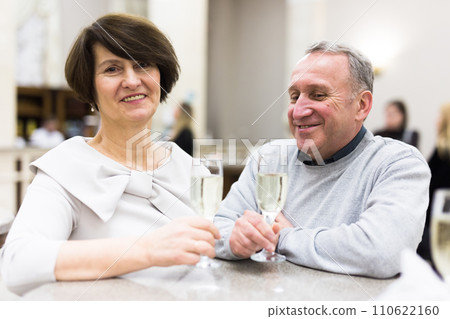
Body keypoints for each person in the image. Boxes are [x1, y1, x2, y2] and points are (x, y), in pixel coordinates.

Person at [0, 13, 219, 295]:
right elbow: (19, 262)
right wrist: (147, 248)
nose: (131, 80)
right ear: (90, 89)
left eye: (143, 65)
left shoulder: (189, 167)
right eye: (112, 69)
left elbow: (214, 251)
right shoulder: (67, 166)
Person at [214, 41, 431, 278]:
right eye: (295, 96)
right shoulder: (268, 158)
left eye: (318, 95)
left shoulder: (398, 163)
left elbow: (382, 252)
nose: (298, 111)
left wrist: (281, 236)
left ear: (361, 105)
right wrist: (235, 241)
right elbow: (217, 229)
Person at [417, 103, 450, 263]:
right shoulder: (441, 150)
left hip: (437, 226)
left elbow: (433, 190)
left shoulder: (445, 154)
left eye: (439, 116)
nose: (435, 121)